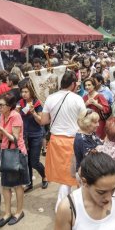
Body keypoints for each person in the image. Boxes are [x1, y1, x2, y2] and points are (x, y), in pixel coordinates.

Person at [40, 71, 86, 211]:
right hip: (73, 140)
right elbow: (84, 121)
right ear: (72, 84)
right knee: (72, 175)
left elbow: (44, 121)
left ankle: (64, 206)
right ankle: (66, 207)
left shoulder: (50, 98)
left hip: (56, 140)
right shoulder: (78, 99)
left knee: (65, 176)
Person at [54, 152, 115, 230]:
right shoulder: (68, 209)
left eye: (113, 189)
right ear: (85, 182)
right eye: (101, 192)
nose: (109, 198)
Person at [0, 92, 29, 227]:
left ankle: (19, 212)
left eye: (1, 105)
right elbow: (2, 138)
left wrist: (0, 127)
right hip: (6, 152)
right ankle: (7, 212)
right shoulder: (2, 115)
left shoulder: (16, 116)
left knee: (18, 185)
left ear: (9, 106)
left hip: (17, 153)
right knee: (5, 185)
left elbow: (15, 138)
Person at [18, 82, 48, 192]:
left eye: (26, 91)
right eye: (22, 92)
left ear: (31, 92)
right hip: (24, 136)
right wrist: (17, 113)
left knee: (34, 161)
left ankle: (44, 176)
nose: (23, 94)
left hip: (36, 135)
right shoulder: (20, 103)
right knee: (26, 161)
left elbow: (41, 122)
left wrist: (33, 112)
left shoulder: (37, 103)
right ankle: (29, 182)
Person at [74, 109, 102, 174]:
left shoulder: (90, 132)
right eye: (95, 122)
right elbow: (90, 159)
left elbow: (98, 142)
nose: (98, 125)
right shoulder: (81, 139)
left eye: (98, 121)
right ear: (87, 123)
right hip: (87, 174)